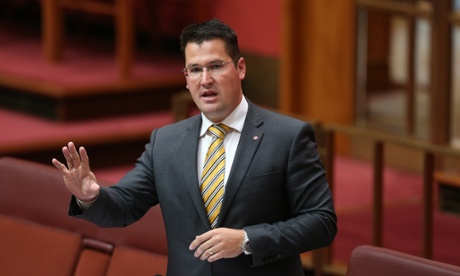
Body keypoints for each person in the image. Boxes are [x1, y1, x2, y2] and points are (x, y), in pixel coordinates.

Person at [52, 18, 337, 276]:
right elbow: (123, 208)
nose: (206, 80)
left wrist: (248, 240)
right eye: (195, 70)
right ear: (186, 78)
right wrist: (89, 197)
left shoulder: (288, 137)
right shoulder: (166, 142)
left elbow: (321, 222)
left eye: (215, 66)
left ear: (240, 68)